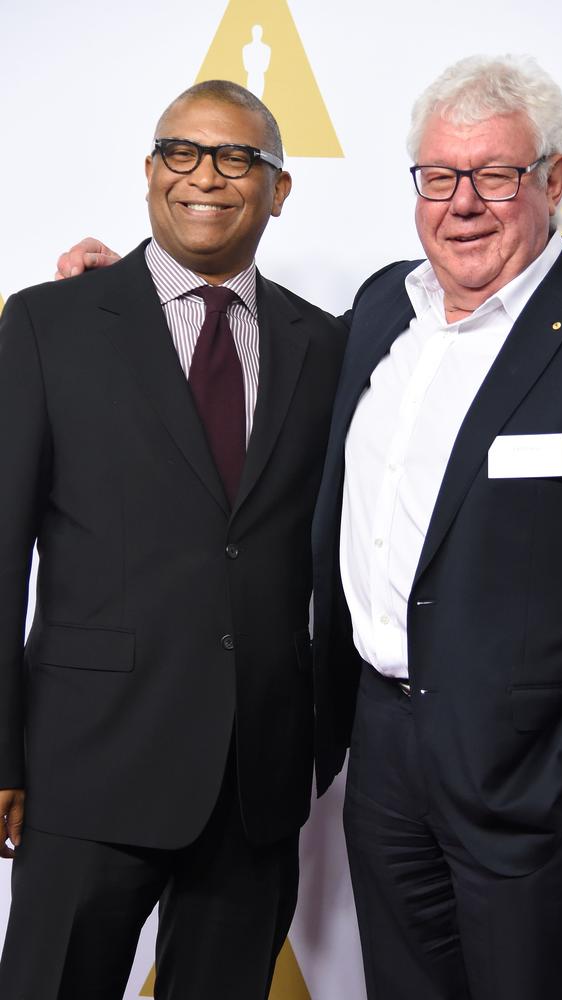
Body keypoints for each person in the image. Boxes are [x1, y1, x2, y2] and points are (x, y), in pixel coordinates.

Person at [311, 54, 562, 1000]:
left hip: (531, 775)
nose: (463, 203)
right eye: (438, 177)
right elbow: (274, 358)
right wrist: (129, 296)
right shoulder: (385, 305)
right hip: (382, 757)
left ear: (553, 179)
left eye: (495, 175)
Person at [0, 79, 346, 999]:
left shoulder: (331, 348)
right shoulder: (47, 323)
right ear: (151, 172)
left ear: (279, 189)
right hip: (84, 768)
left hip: (255, 783)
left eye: (239, 158)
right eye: (183, 153)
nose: (207, 177)